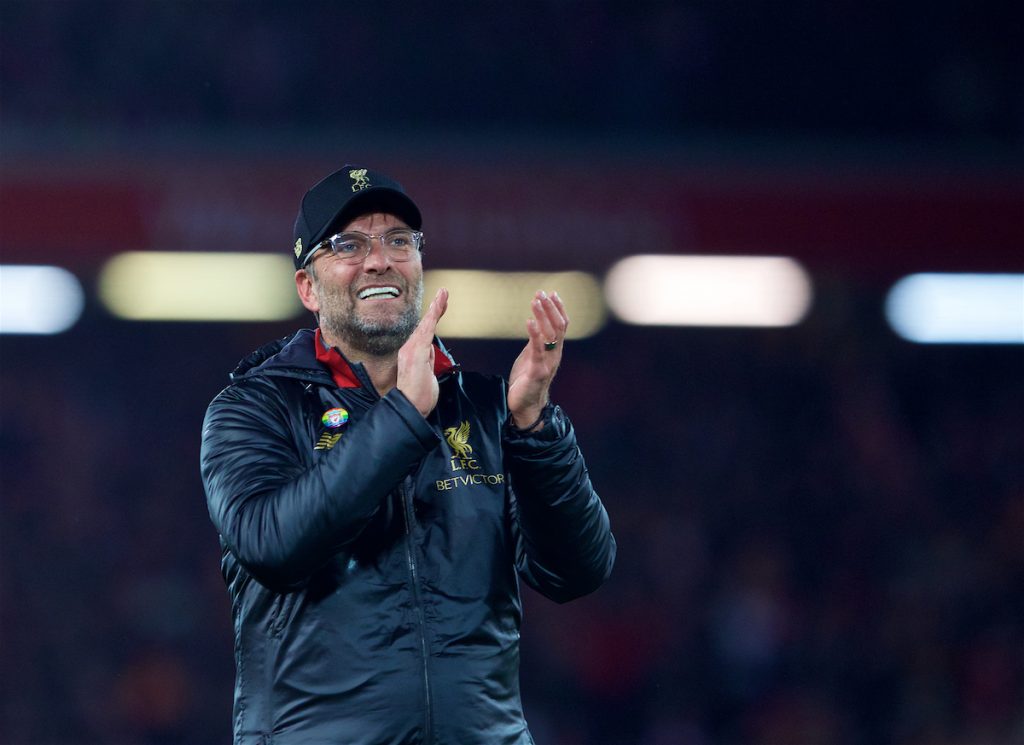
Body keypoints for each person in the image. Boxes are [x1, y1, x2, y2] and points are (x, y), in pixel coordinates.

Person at [200, 164, 616, 744]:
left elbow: (576, 572)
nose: (380, 260)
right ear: (308, 288)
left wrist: (535, 426)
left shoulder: (486, 407)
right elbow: (272, 545)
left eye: (400, 240)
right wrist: (401, 417)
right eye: (349, 244)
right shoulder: (254, 408)